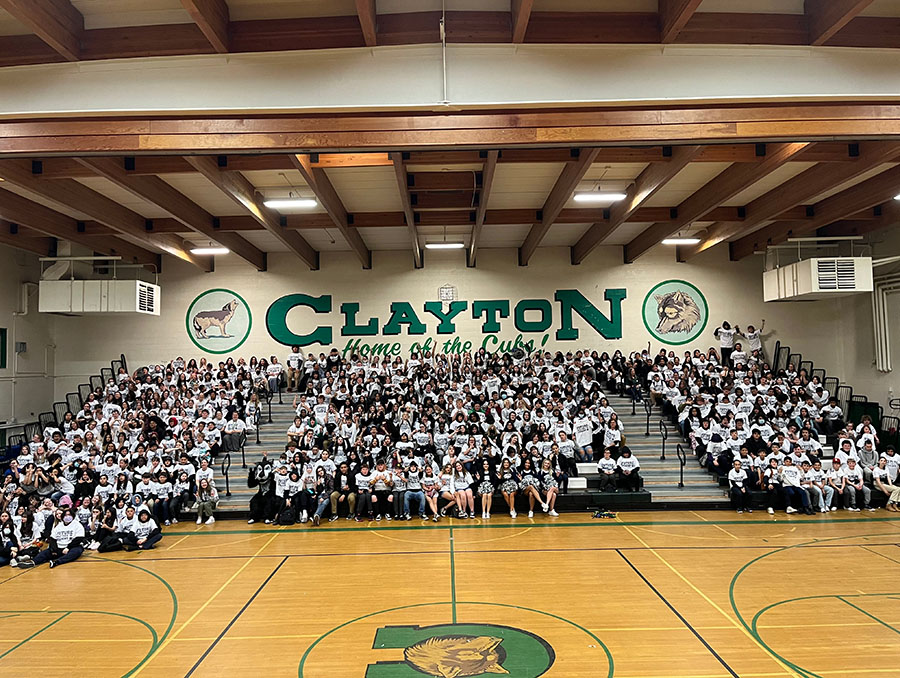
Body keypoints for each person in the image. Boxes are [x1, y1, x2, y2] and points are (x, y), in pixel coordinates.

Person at [19, 508, 85, 569]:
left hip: (71, 547)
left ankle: (57, 562)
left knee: (76, 551)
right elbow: (52, 538)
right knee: (45, 552)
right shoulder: (59, 526)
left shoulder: (77, 525)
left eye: (69, 515)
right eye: (65, 515)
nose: (67, 516)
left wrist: (68, 548)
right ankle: (32, 562)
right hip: (59, 547)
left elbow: (79, 538)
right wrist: (54, 549)